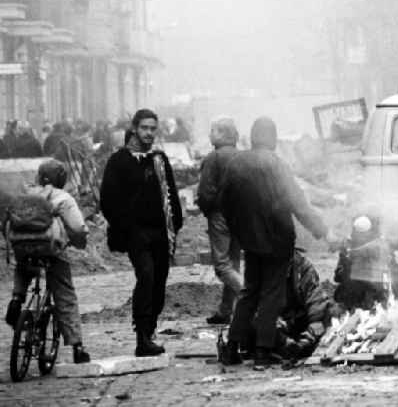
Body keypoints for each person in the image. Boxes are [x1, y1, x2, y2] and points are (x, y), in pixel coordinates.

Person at [218, 116, 330, 368]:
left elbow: (224, 201)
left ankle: (232, 348)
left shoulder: (236, 164)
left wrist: (241, 231)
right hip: (278, 242)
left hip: (251, 242)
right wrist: (321, 230)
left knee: (248, 293)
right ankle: (262, 353)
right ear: (273, 138)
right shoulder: (277, 164)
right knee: (271, 295)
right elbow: (297, 202)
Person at [100, 109, 183, 357]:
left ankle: (150, 328)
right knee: (146, 276)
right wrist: (125, 227)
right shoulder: (120, 161)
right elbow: (108, 200)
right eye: (144, 128)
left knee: (159, 281)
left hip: (160, 232)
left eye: (152, 129)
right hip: (136, 233)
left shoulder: (158, 159)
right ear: (135, 128)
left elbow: (171, 194)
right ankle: (142, 336)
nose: (148, 133)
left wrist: (175, 225)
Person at [4, 160, 91, 363]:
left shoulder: (24, 195)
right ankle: (77, 347)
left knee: (23, 265)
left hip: (22, 247)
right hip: (51, 251)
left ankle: (17, 298)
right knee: (64, 293)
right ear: (61, 179)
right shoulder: (63, 197)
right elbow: (77, 228)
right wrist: (79, 243)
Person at [196, 117, 242, 325]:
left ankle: (251, 297)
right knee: (233, 263)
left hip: (219, 215)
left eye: (213, 131)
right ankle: (226, 310)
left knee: (222, 266)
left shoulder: (213, 158)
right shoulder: (243, 157)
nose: (209, 135)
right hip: (240, 215)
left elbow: (205, 193)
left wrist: (207, 210)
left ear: (223, 134)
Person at [276, 249, 332, 360]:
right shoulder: (261, 266)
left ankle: (301, 345)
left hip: (298, 322)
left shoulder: (303, 267)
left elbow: (316, 304)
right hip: (273, 324)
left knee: (328, 311)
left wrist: (308, 337)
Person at [333, 214, 389, 310]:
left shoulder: (348, 247)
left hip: (355, 294)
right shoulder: (376, 246)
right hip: (365, 294)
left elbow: (338, 276)